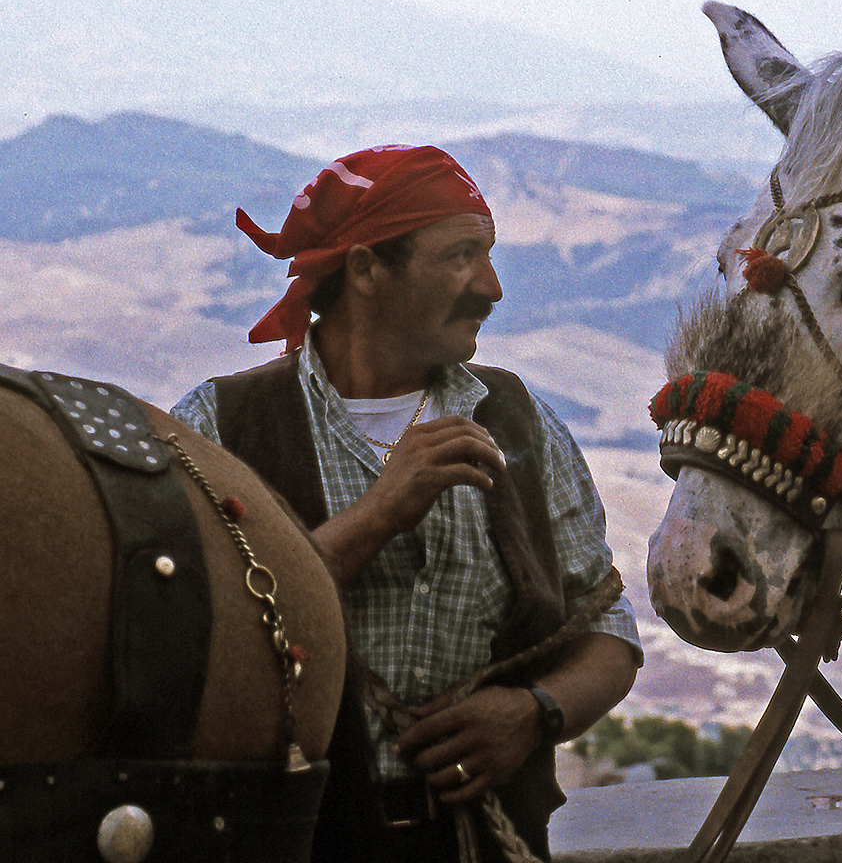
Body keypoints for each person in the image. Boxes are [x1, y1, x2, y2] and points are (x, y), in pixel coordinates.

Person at [173, 145, 640, 863]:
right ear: (365, 269)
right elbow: (190, 640)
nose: (491, 288)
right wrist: (378, 513)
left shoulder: (515, 417)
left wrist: (533, 713)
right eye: (460, 256)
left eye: (488, 256)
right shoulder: (219, 428)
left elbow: (604, 626)